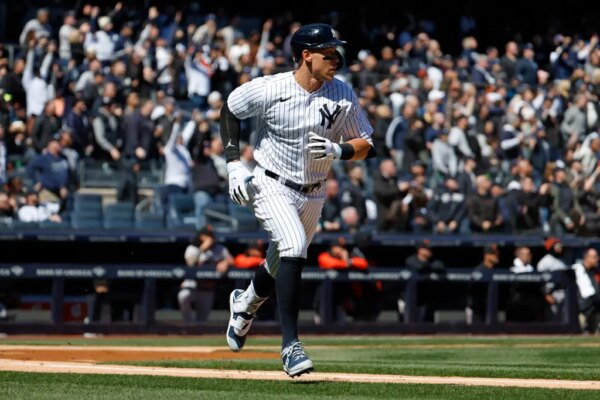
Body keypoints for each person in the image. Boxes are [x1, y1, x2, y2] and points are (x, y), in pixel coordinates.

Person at [220, 23, 374, 377]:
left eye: (337, 52)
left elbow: (367, 144)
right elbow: (230, 109)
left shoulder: (343, 94)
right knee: (292, 247)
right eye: (328, 53)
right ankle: (290, 345)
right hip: (271, 182)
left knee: (280, 259)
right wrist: (232, 166)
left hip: (314, 191)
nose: (336, 58)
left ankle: (244, 304)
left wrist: (340, 149)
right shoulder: (272, 87)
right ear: (306, 55)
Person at [178, 226, 233, 323]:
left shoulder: (220, 248)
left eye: (212, 235)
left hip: (207, 289)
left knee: (202, 321)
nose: (211, 238)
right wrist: (202, 249)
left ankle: (194, 328)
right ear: (202, 236)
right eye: (208, 236)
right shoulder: (192, 248)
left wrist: (226, 262)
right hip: (192, 286)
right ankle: (188, 321)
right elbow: (191, 264)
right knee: (183, 296)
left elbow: (232, 260)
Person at [572, 248, 600, 333]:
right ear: (587, 258)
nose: (597, 259)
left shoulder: (596, 272)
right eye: (594, 257)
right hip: (580, 309)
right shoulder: (577, 269)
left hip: (595, 308)